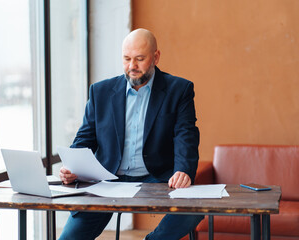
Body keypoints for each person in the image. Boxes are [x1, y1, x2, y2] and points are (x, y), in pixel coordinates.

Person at [58, 28, 203, 240]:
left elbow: (186, 135)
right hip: (108, 179)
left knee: (194, 211)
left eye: (139, 59)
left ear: (156, 57)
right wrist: (72, 166)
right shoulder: (100, 92)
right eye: (126, 59)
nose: (132, 67)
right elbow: (85, 138)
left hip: (157, 176)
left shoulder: (179, 90)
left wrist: (183, 170)